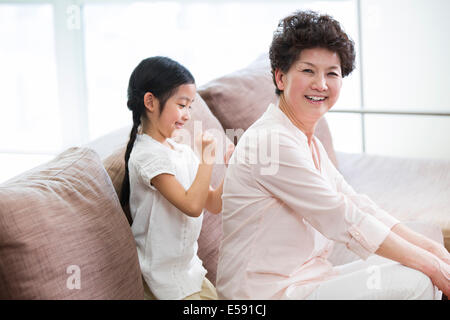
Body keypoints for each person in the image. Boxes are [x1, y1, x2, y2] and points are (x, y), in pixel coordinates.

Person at [216, 11, 450, 299]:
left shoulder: (303, 139)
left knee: (423, 241)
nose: (321, 84)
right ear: (280, 77)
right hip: (266, 294)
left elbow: (356, 202)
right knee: (416, 279)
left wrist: (437, 254)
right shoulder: (271, 142)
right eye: (308, 71)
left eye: (331, 73)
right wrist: (435, 267)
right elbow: (342, 217)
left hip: (311, 277)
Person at [121, 56, 233, 300]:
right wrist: (207, 159)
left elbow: (212, 203)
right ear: (150, 101)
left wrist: (234, 167)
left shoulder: (180, 150)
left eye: (190, 106)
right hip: (162, 283)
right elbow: (192, 206)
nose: (187, 115)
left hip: (190, 272)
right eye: (182, 105)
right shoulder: (147, 156)